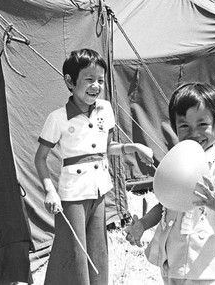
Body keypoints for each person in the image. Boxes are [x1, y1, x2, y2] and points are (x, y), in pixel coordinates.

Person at [35, 48, 154, 285]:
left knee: (97, 246)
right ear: (70, 81)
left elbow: (107, 148)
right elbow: (40, 158)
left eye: (100, 80)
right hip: (73, 194)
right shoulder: (57, 118)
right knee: (73, 249)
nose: (96, 86)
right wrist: (50, 190)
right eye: (89, 79)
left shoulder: (105, 109)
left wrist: (136, 148)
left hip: (99, 189)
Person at [125, 82, 215, 285]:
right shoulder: (177, 161)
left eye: (202, 124)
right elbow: (166, 205)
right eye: (184, 126)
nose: (194, 132)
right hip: (172, 262)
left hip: (206, 269)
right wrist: (143, 224)